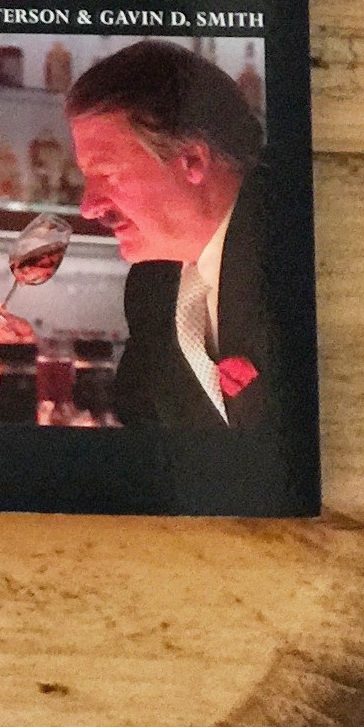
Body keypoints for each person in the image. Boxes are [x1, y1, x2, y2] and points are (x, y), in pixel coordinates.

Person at [44, 40, 282, 433]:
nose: (88, 207)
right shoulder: (153, 284)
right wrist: (24, 372)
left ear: (192, 161)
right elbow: (137, 424)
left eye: (107, 173)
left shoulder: (291, 248)